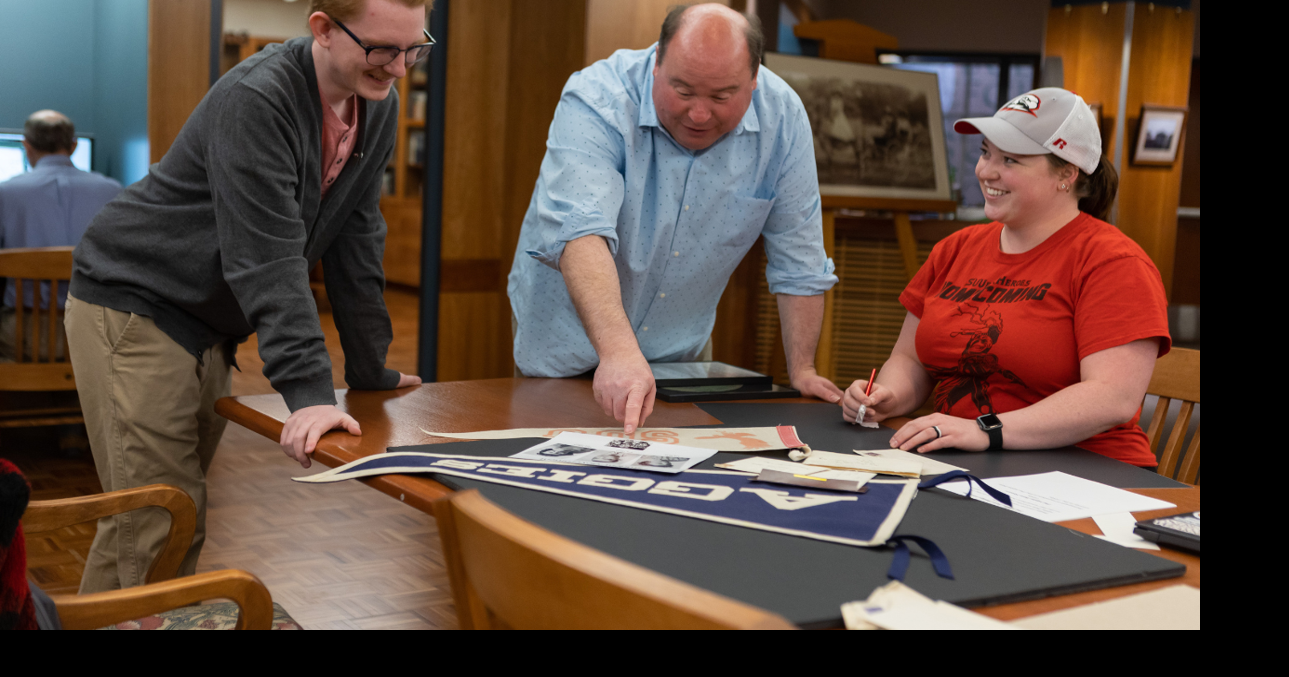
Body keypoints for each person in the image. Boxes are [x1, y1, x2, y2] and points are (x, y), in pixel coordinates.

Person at [65, 0, 432, 593]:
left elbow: (357, 238)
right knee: (155, 522)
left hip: (207, 322)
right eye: (382, 50)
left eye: (414, 48)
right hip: (136, 302)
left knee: (175, 521)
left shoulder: (375, 105)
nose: (398, 69)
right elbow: (266, 256)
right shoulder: (258, 98)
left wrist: (370, 370)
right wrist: (309, 395)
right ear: (322, 29)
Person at [508, 3, 841, 435]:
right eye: (682, 91)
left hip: (679, 356)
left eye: (722, 96)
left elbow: (800, 258)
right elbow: (579, 231)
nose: (699, 114)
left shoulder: (784, 118)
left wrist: (802, 368)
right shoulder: (598, 96)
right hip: (562, 338)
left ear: (754, 79)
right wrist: (619, 352)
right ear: (656, 63)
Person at [842, 88, 1170, 467]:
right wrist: (886, 396)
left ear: (1066, 173)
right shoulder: (955, 249)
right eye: (985, 153)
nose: (985, 171)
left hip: (1084, 472)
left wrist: (984, 430)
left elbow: (1112, 396)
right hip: (965, 460)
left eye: (1010, 159)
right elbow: (910, 359)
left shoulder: (1114, 262)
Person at [0, 111, 121, 362]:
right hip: (97, 337)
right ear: (74, 145)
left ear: (26, 146)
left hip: (25, 336)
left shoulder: (5, 193)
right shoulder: (114, 192)